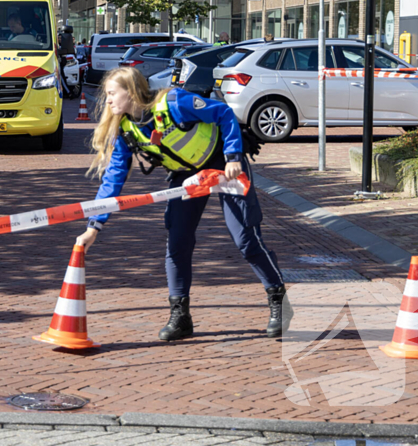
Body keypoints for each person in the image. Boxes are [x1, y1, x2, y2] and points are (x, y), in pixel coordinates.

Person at [75, 67, 290, 341]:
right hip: (187, 176)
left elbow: (223, 114)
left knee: (245, 239)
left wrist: (234, 156)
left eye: (111, 94)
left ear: (131, 92)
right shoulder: (126, 131)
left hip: (223, 166)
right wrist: (94, 227)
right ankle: (180, 316)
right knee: (177, 242)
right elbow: (113, 181)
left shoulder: (175, 103)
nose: (107, 100)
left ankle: (280, 304)